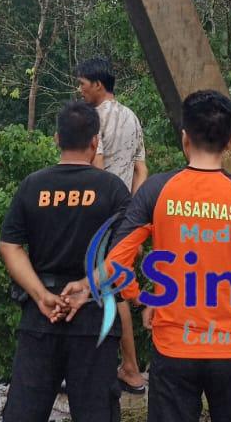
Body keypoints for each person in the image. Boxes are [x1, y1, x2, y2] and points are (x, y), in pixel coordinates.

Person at [70, 89, 231, 422]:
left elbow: (116, 262)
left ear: (184, 138)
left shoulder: (157, 191)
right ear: (230, 141)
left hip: (174, 347)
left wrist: (142, 298)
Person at [0, 102, 133, 422]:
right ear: (95, 142)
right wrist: (87, 285)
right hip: (94, 318)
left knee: (24, 413)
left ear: (57, 138)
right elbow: (124, 253)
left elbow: (10, 247)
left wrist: (40, 294)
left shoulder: (34, 185)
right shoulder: (112, 188)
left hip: (41, 318)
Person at [74, 56, 148, 395]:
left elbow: (97, 165)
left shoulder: (91, 118)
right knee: (115, 287)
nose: (80, 90)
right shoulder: (132, 117)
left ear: (98, 85)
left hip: (96, 212)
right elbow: (141, 171)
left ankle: (105, 368)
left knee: (95, 287)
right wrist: (133, 215)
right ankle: (129, 366)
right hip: (125, 213)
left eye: (83, 84)